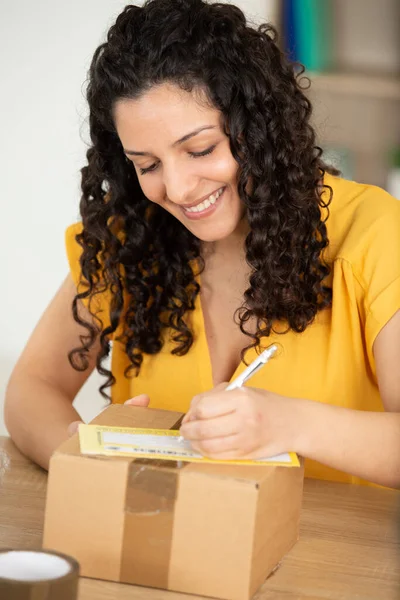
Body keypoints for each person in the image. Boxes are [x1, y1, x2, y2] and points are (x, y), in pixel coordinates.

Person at [4, 0, 400, 486]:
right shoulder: (131, 241)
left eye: (200, 149)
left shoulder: (374, 233)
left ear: (256, 128)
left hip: (332, 557)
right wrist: (88, 461)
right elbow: (32, 388)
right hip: (175, 546)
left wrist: (291, 424)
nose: (178, 188)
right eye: (147, 165)